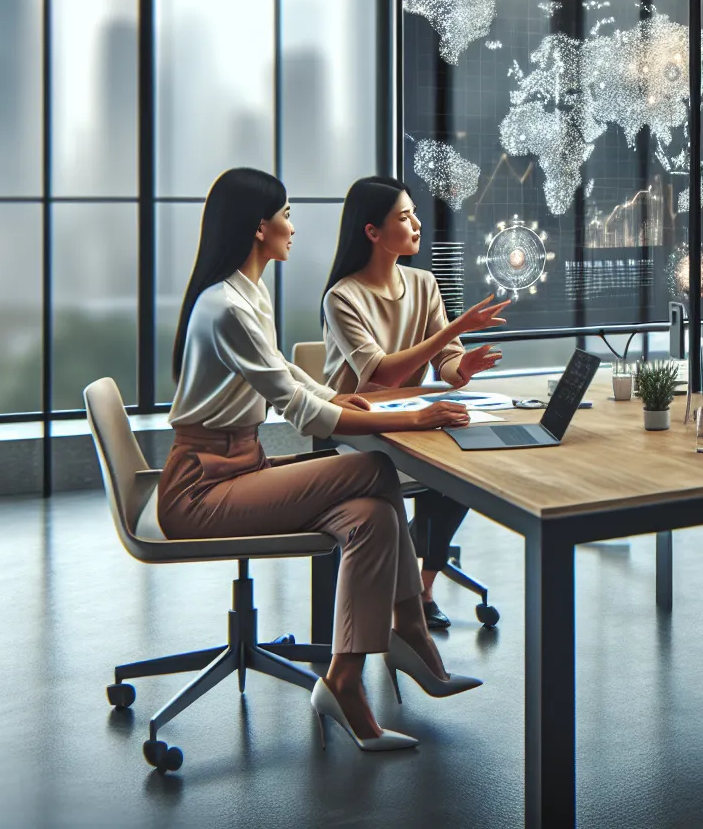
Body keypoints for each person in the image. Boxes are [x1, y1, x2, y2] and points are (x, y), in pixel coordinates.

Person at [160, 168, 482, 754]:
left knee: (374, 518)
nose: (293, 226)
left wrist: (335, 394)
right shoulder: (228, 306)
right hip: (200, 490)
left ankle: (345, 679)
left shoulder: (246, 292)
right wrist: (408, 418)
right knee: (374, 470)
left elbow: (284, 374)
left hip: (241, 467)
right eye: (285, 214)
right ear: (259, 228)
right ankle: (408, 632)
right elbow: (299, 412)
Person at [322, 175, 511, 631]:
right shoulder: (342, 297)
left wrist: (461, 368)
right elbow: (381, 372)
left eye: (414, 214)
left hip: (413, 420)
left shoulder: (423, 283)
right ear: (372, 232)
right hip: (357, 427)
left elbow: (445, 358)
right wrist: (454, 328)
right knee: (439, 471)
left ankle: (421, 587)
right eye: (404, 217)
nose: (417, 223)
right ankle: (403, 586)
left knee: (465, 468)